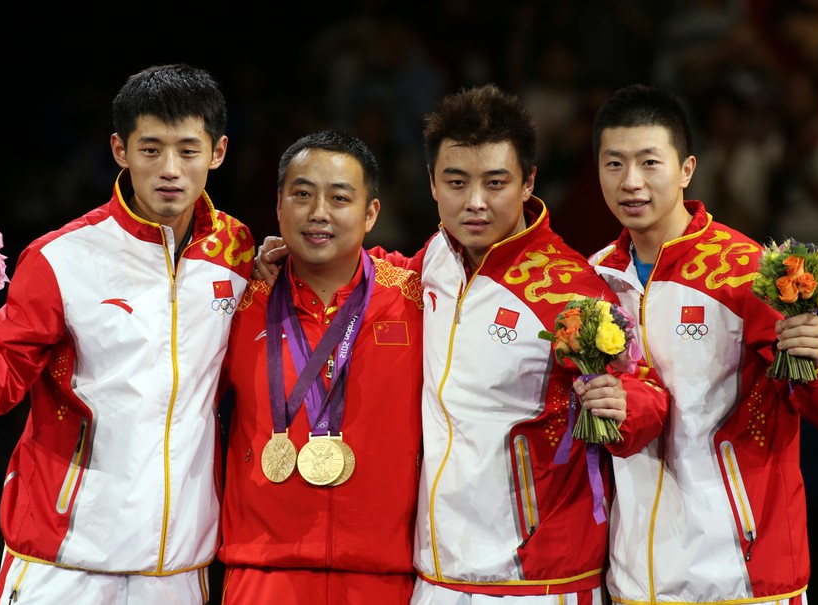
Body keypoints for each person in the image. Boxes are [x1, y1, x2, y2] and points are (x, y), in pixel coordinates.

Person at [256, 84, 669, 604]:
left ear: (528, 183)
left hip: (540, 581)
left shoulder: (573, 291)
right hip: (435, 574)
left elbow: (647, 395)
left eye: (495, 183)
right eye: (456, 182)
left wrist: (625, 405)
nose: (474, 203)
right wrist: (296, 257)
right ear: (432, 183)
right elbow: (371, 271)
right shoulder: (435, 261)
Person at [0, 63, 254, 604]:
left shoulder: (238, 254)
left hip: (176, 569)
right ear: (120, 150)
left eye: (188, 151)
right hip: (64, 559)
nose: (170, 169)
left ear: (217, 152)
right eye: (151, 150)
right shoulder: (62, 258)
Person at [588, 83, 818, 604]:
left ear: (687, 168)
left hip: (739, 578)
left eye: (650, 163)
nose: (631, 183)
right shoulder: (593, 280)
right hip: (633, 582)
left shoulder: (747, 274)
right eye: (614, 164)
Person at [217, 129, 424, 604]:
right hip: (261, 575)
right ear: (279, 205)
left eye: (339, 198)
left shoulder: (414, 296)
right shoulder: (238, 301)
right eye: (303, 194)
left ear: (371, 212)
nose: (319, 213)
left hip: (383, 577)